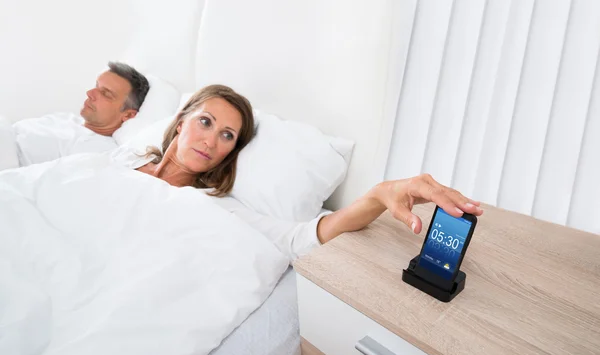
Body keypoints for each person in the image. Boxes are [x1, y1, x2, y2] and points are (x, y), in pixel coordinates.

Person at [113, 84, 483, 259]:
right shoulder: (124, 158)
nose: (211, 141)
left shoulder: (214, 206)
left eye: (227, 135)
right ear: (180, 123)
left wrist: (377, 195)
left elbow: (300, 237)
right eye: (205, 122)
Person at [13, 61, 149, 166]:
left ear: (128, 115)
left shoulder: (99, 153)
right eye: (96, 86)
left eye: (105, 93)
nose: (90, 94)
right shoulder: (66, 119)